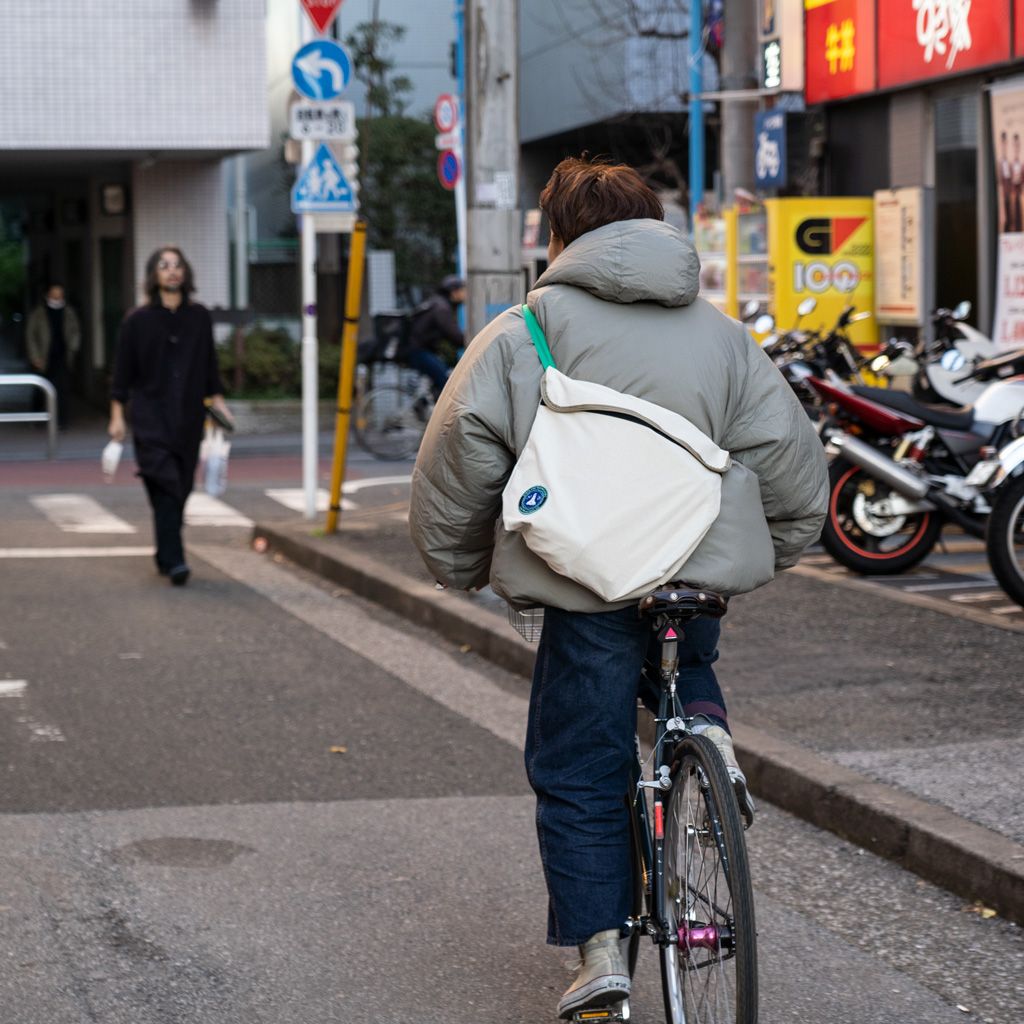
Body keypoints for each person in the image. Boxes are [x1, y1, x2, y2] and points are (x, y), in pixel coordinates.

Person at [409, 157, 828, 1018]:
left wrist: (460, 566)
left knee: (580, 760)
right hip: (693, 571)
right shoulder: (722, 335)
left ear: (558, 236)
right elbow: (790, 466)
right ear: (655, 229)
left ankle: (602, 955)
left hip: (586, 578)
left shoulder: (526, 331)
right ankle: (711, 749)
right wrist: (773, 549)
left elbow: (460, 458)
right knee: (687, 661)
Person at [108, 247, 232, 586]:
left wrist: (218, 401)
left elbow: (209, 363)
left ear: (186, 273)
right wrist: (117, 415)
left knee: (181, 485)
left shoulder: (199, 317)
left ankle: (165, 553)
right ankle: (176, 560)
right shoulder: (136, 321)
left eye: (177, 265)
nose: (172, 271)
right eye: (164, 266)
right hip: (149, 416)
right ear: (154, 276)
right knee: (164, 481)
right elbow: (122, 373)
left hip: (189, 416)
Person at [26, 283, 81, 429]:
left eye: (60, 294)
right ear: (48, 295)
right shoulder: (39, 313)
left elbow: (75, 331)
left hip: (63, 357)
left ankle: (62, 422)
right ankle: (37, 419)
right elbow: (31, 335)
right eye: (54, 294)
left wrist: (73, 346)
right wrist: (35, 356)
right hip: (44, 357)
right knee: (40, 390)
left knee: (62, 390)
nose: (57, 297)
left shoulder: (68, 312)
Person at [405, 275, 466, 399]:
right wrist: (468, 342)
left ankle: (423, 406)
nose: (464, 294)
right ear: (453, 292)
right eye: (462, 290)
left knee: (437, 379)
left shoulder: (438, 303)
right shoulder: (441, 308)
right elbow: (451, 332)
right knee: (445, 381)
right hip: (419, 350)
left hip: (418, 348)